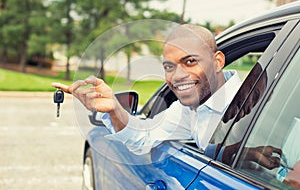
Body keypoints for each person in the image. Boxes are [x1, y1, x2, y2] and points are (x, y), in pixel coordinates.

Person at [52, 24, 281, 167]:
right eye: (169, 67)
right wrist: (113, 108)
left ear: (217, 61)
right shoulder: (188, 109)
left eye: (190, 62)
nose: (177, 76)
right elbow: (144, 136)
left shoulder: (265, 104)